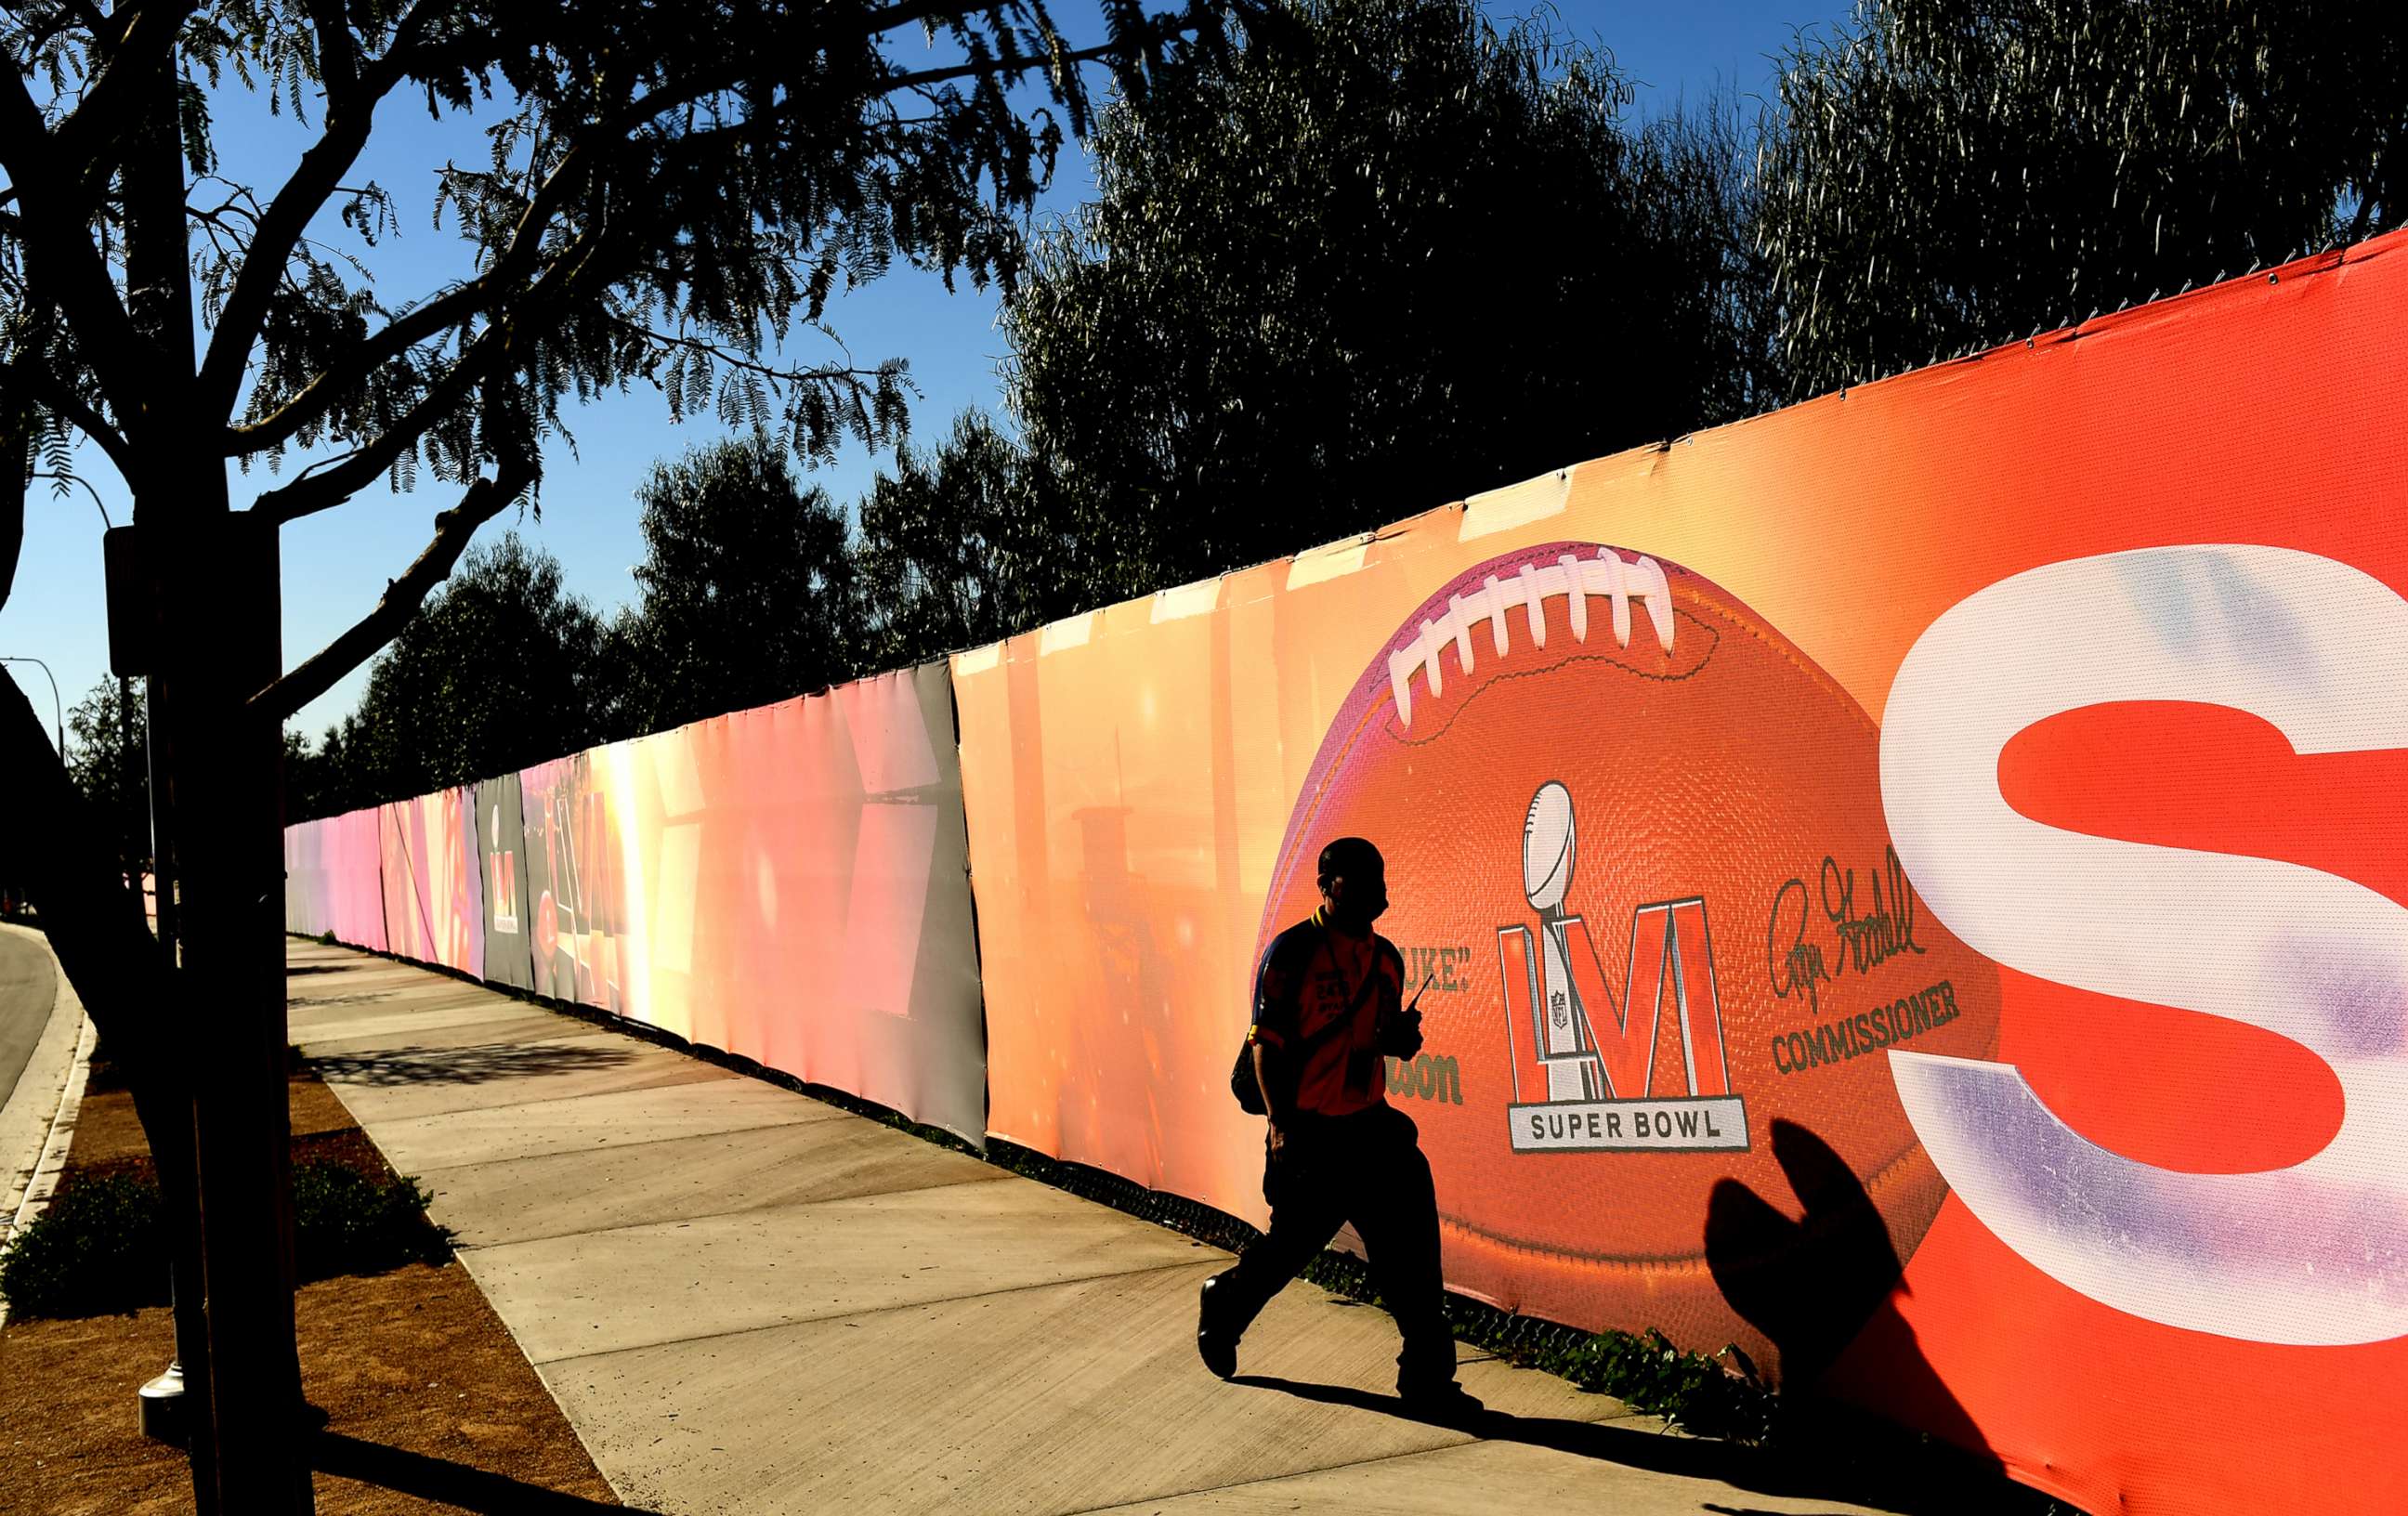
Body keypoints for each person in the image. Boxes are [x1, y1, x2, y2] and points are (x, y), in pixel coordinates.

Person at [1196, 836, 1483, 1417]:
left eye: (1380, 876)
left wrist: (1400, 1042)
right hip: (1310, 1133)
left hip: (1372, 1132)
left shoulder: (1388, 962)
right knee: (1290, 1249)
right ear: (1328, 885)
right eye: (1362, 877)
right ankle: (1225, 1303)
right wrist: (1281, 1127)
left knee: (1412, 1258)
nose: (1378, 888)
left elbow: (1378, 1042)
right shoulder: (1292, 955)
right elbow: (1266, 1049)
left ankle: (1428, 1379)